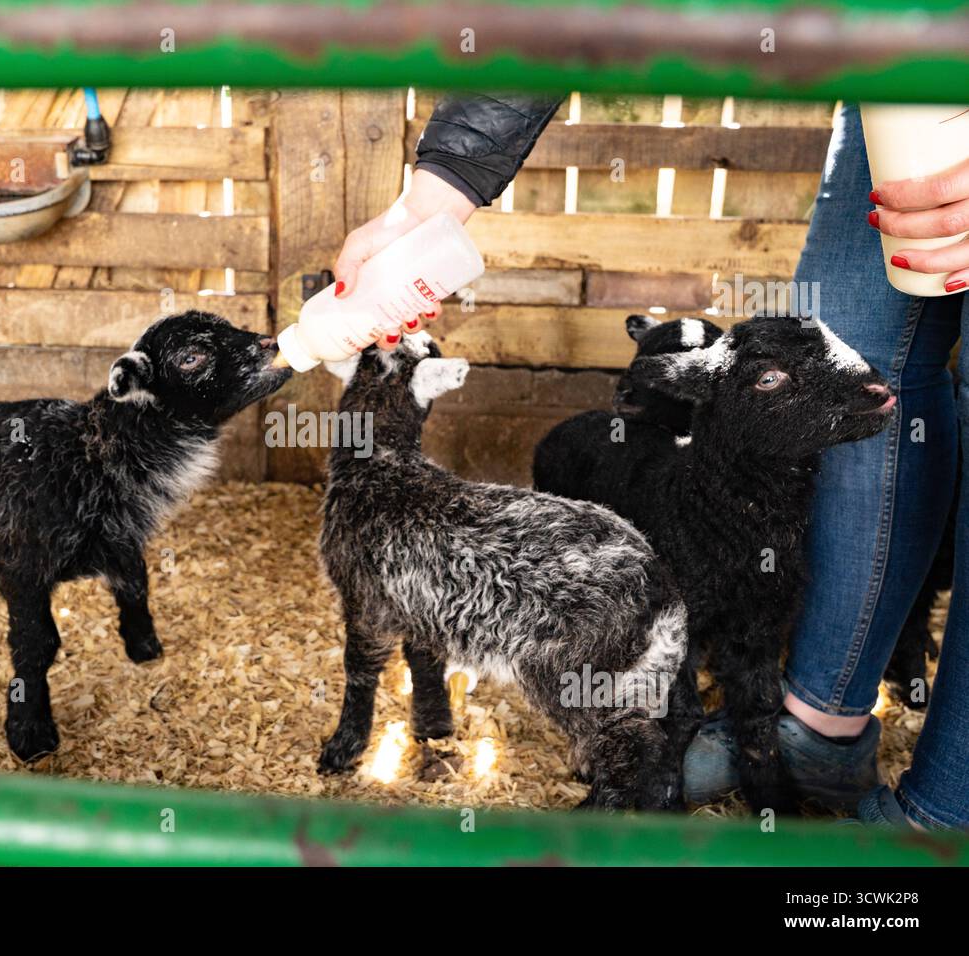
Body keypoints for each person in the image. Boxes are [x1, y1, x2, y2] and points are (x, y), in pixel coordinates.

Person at [335, 94, 969, 829]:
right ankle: (819, 726)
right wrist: (432, 198)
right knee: (874, 356)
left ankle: (943, 812)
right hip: (901, 91)